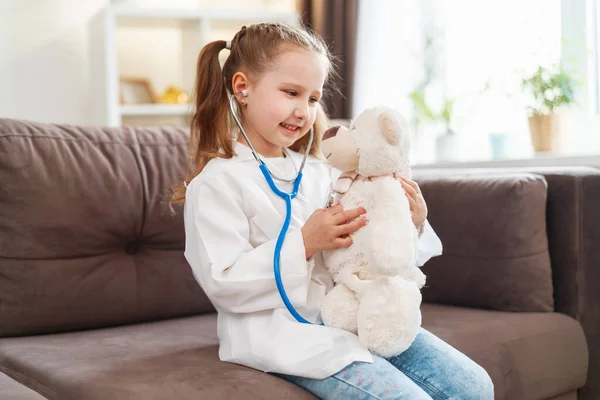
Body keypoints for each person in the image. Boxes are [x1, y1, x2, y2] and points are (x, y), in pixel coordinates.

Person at [171, 22, 494, 400]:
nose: (303, 110)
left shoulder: (322, 171)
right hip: (285, 336)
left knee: (474, 386)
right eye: (291, 92)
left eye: (312, 98)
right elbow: (223, 283)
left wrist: (412, 223)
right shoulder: (216, 184)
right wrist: (304, 244)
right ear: (242, 88)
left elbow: (372, 252)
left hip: (356, 316)